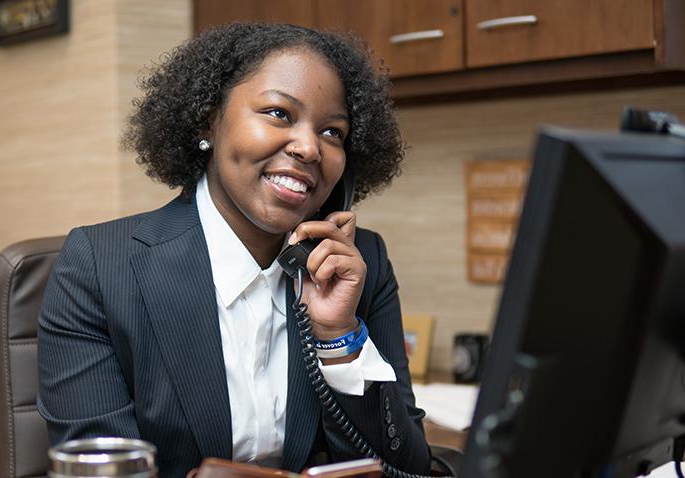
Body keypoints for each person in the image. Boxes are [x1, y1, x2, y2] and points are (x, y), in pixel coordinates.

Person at [37, 22, 432, 477]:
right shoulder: (101, 267)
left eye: (332, 133)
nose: (308, 148)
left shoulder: (359, 265)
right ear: (211, 118)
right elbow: (102, 469)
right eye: (279, 114)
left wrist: (338, 337)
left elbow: (411, 468)